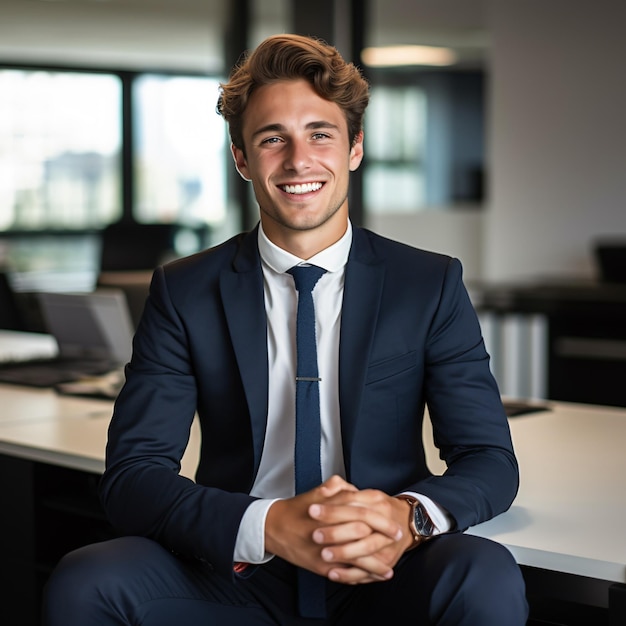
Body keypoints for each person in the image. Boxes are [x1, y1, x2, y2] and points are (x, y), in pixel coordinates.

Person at [43, 33, 528, 625]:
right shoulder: (184, 290)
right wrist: (269, 526)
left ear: (354, 147)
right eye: (273, 139)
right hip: (239, 568)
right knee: (87, 581)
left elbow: (489, 460)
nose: (299, 160)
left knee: (485, 574)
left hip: (384, 564)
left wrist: (409, 518)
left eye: (320, 134)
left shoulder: (427, 283)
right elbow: (133, 476)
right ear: (242, 159)